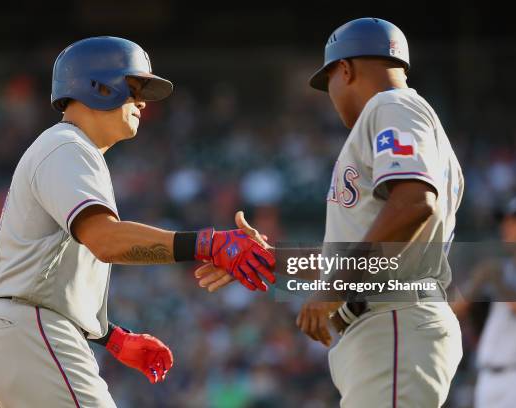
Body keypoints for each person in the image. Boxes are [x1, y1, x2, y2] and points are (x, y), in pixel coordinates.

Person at [0, 36, 275, 408]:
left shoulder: (64, 148)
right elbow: (105, 240)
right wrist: (208, 243)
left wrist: (111, 338)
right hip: (30, 338)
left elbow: (50, 268)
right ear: (99, 86)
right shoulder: (68, 145)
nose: (141, 102)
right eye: (133, 88)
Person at [197, 17, 464, 407]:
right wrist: (268, 260)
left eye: (330, 84)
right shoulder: (395, 116)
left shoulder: (392, 104)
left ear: (346, 69)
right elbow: (354, 254)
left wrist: (334, 284)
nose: (332, 95)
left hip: (393, 320)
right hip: (387, 325)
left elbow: (413, 201)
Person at [452, 196, 516, 408]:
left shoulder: (499, 274)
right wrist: (475, 285)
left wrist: (499, 284)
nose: (505, 226)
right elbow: (454, 311)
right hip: (487, 376)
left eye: (514, 221)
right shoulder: (502, 267)